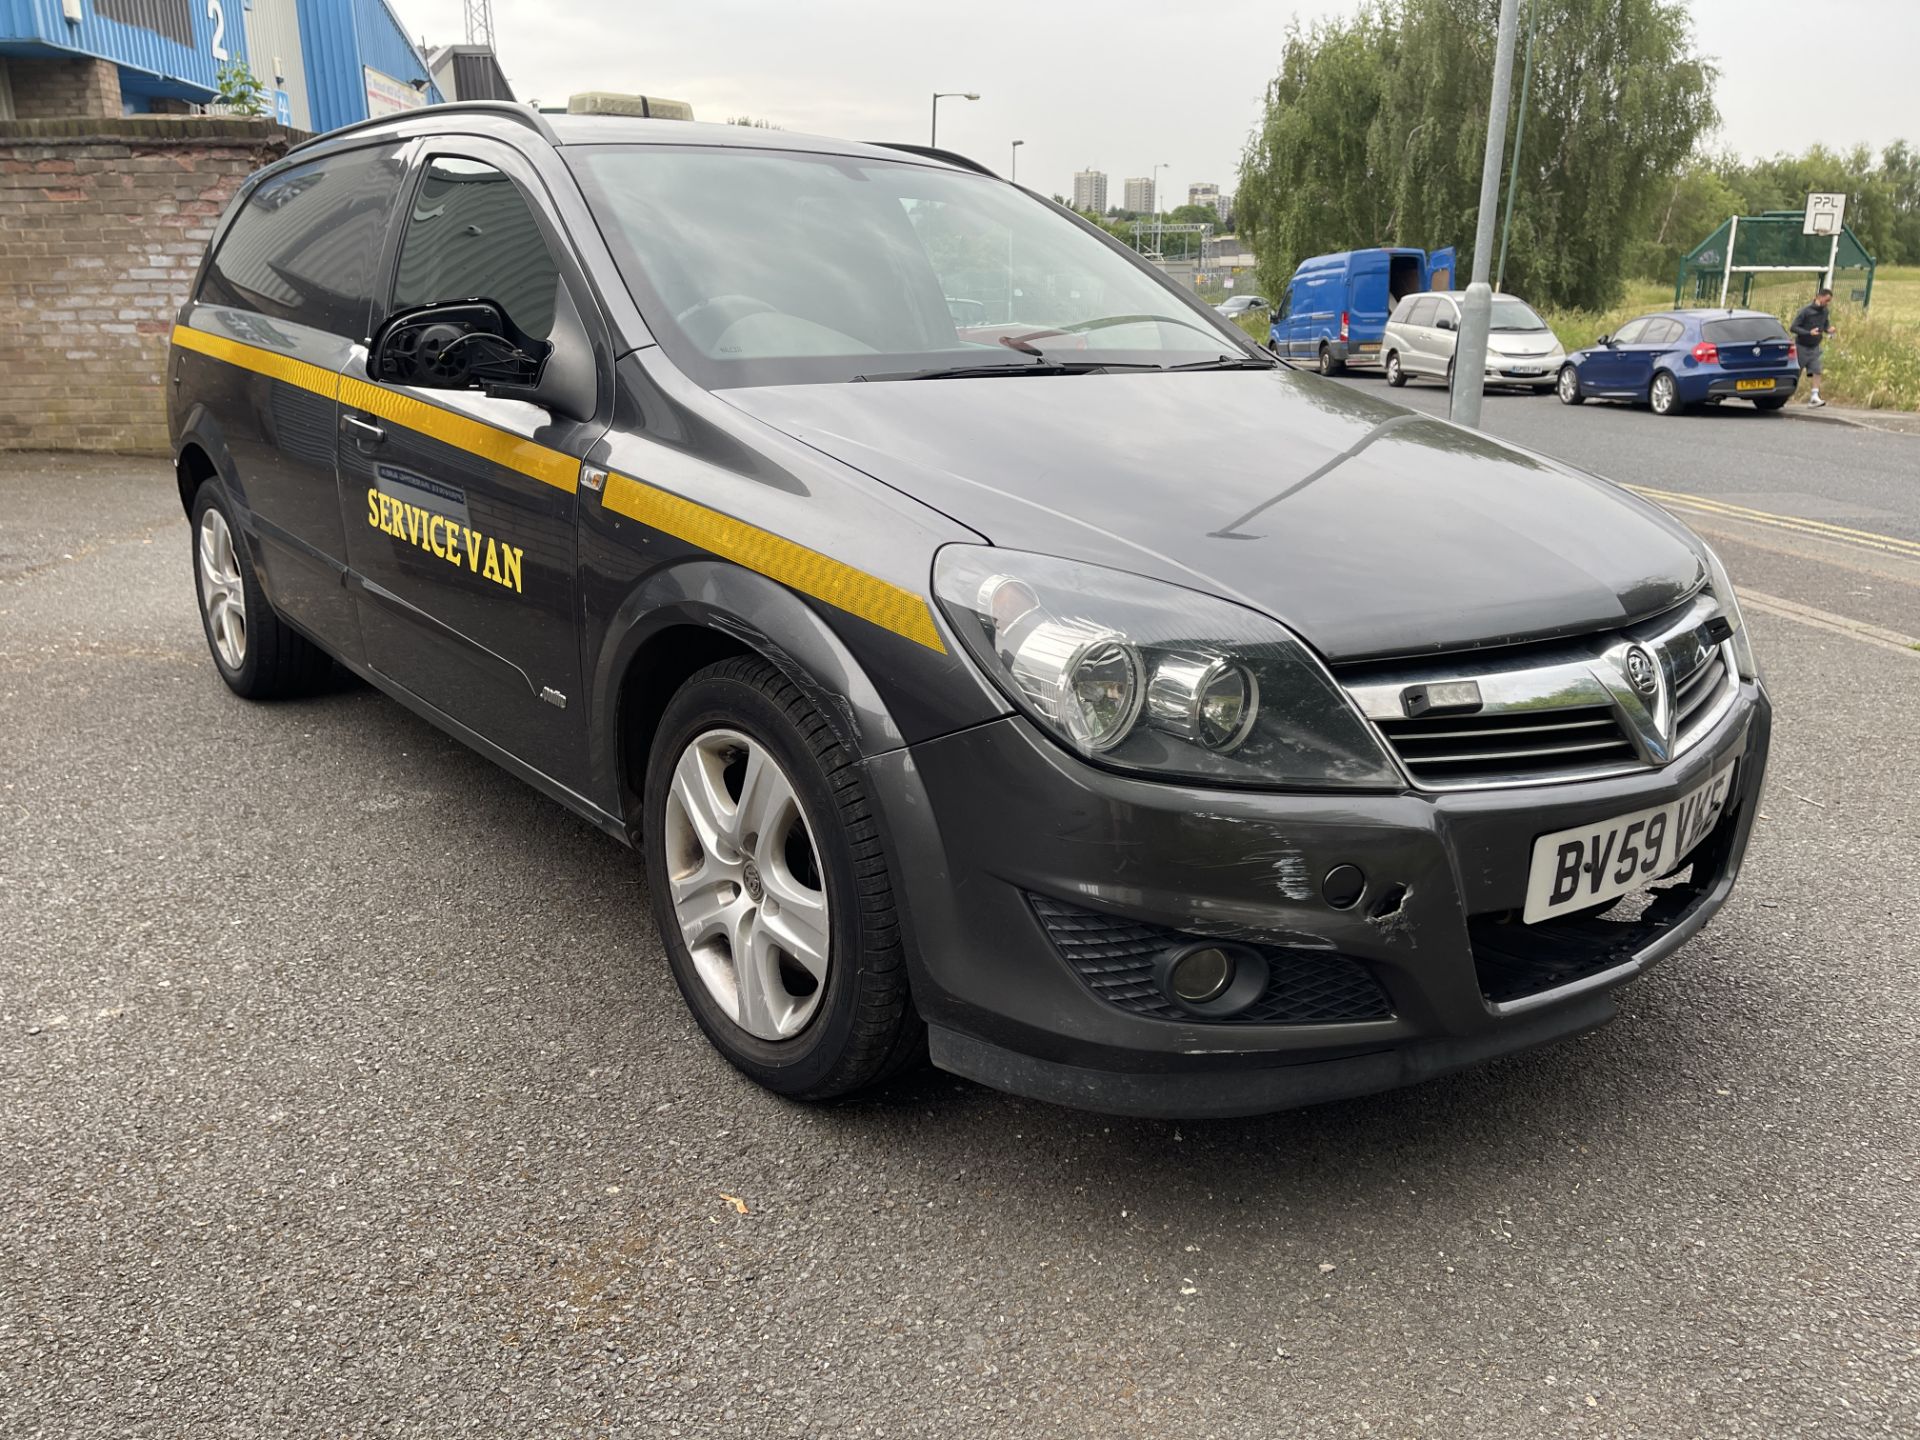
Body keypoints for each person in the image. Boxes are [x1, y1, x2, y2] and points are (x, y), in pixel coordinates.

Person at [1790, 288, 1838, 407]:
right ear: (1819, 297)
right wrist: (1808, 332)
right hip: (1801, 346)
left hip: (1815, 346)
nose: (1827, 303)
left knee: (1817, 370)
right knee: (1797, 372)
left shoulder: (1825, 311)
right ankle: (1786, 395)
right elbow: (1794, 327)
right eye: (1826, 300)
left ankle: (1814, 396)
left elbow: (1825, 324)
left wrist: (1829, 330)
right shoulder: (1805, 311)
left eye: (1829, 301)